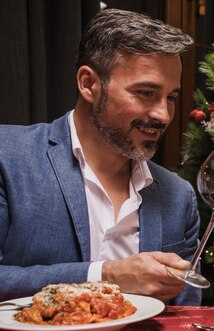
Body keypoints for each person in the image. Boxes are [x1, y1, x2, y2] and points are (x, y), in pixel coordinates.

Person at [0, 8, 201, 304]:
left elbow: (185, 321)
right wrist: (104, 276)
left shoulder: (179, 197)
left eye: (170, 97)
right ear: (89, 84)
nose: (163, 115)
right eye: (146, 92)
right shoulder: (8, 157)